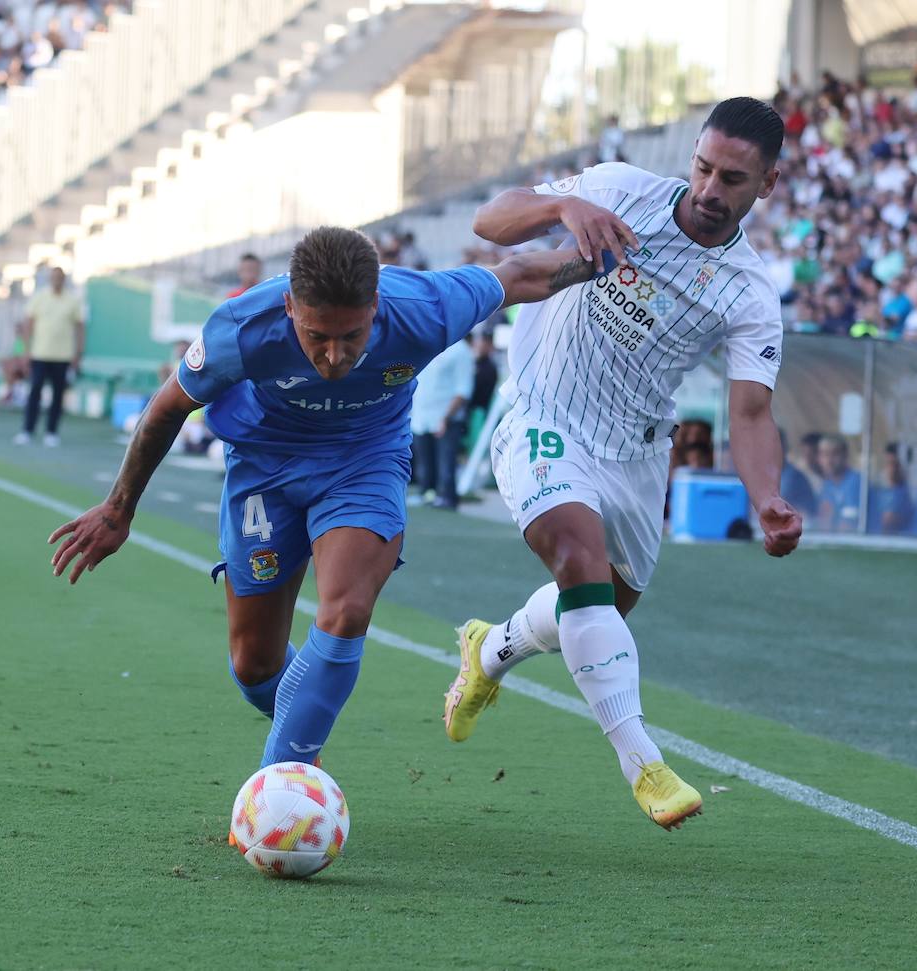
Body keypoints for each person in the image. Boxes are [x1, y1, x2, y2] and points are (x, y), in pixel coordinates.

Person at [46, 227, 601, 799]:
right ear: (289, 305)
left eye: (352, 335)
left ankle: (279, 791)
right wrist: (119, 510)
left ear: (377, 307)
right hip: (265, 467)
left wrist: (616, 254)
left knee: (346, 609)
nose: (334, 356)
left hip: (364, 462)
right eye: (316, 336)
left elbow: (519, 275)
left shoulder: (427, 308)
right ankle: (299, 729)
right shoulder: (241, 328)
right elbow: (166, 410)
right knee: (255, 666)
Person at [443, 98, 803, 830]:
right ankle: (645, 764)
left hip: (638, 453)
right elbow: (491, 221)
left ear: (766, 184)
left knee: (598, 607)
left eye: (732, 179)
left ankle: (491, 649)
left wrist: (766, 494)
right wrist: (567, 206)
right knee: (579, 563)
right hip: (546, 413)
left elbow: (752, 412)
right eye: (702, 166)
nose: (708, 188)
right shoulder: (617, 188)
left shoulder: (750, 292)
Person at [14, 267, 85, 447]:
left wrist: (78, 353)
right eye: (54, 277)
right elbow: (29, 324)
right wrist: (26, 350)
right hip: (40, 354)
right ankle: (27, 430)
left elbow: (80, 328)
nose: (56, 280)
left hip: (62, 356)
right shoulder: (39, 297)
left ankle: (51, 432)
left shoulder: (72, 300)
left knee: (58, 394)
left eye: (60, 277)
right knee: (35, 391)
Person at [409, 334, 474, 509]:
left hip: (446, 418)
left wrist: (446, 417)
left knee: (446, 464)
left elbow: (463, 390)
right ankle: (427, 493)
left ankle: (447, 498)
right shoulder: (427, 344)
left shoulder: (460, 350)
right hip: (421, 417)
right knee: (424, 464)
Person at [815, 435, 862, 531]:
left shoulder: (855, 482)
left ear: (845, 456)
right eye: (825, 455)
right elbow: (822, 521)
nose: (829, 460)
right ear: (819, 459)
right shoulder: (827, 486)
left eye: (835, 454)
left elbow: (848, 528)